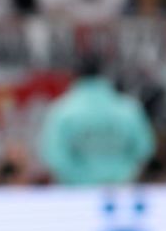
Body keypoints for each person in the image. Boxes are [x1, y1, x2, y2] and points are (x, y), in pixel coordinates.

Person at [38, 56, 154, 185]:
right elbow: (144, 149)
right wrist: (123, 172)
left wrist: (79, 177)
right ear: (104, 76)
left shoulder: (61, 110)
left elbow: (53, 154)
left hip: (76, 193)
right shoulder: (128, 109)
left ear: (75, 76)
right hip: (120, 190)